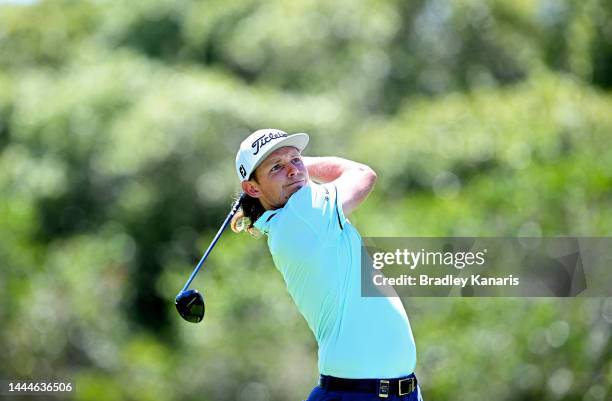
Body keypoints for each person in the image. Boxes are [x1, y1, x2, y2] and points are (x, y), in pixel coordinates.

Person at [232, 129, 422, 401]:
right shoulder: (302, 214)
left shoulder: (295, 217)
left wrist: (288, 165)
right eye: (277, 167)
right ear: (252, 188)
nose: (293, 171)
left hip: (393, 391)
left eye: (295, 160)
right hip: (359, 394)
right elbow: (362, 173)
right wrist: (304, 164)